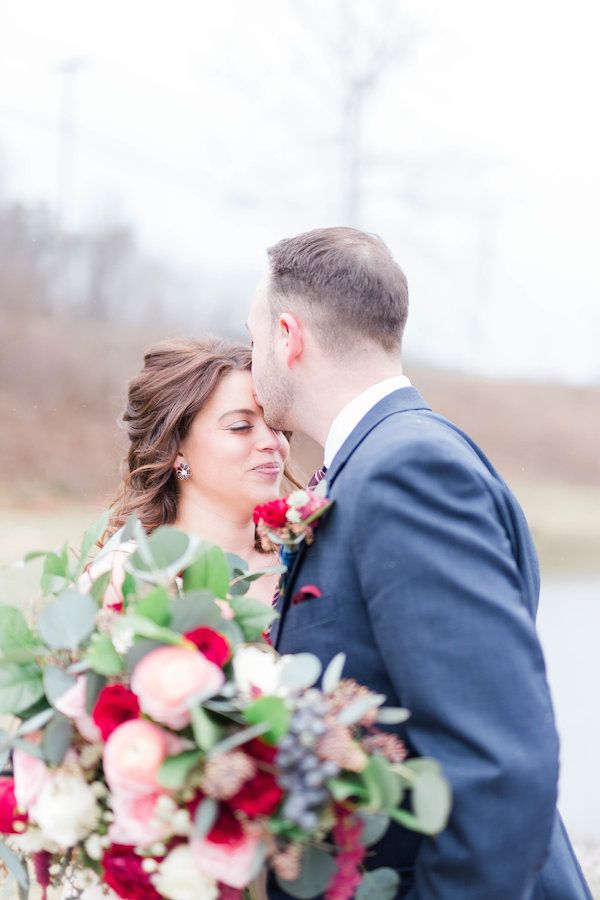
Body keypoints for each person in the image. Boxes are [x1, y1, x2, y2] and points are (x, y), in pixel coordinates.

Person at [247, 227, 591, 899]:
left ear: (289, 336)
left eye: (255, 338)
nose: (255, 358)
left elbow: (499, 765)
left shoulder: (408, 471)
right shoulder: (380, 461)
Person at [98, 336, 292, 607]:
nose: (273, 443)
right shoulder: (128, 577)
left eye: (275, 424)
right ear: (175, 450)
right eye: (240, 426)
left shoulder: (304, 564)